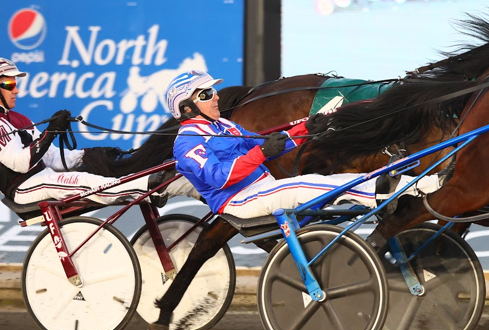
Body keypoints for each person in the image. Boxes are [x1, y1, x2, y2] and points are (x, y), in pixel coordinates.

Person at [165, 69, 437, 221]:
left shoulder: (226, 126)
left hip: (263, 186)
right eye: (206, 94)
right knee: (307, 184)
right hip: (238, 200)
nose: (215, 98)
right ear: (187, 108)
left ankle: (422, 184)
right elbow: (219, 177)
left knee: (344, 178)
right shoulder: (187, 143)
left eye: (212, 91)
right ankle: (390, 194)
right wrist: (261, 153)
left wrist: (306, 129)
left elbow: (270, 144)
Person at [0, 57, 164, 207]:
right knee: (81, 181)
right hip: (22, 188)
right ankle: (144, 187)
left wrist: (85, 156)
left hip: (42, 176)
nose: (16, 91)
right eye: (9, 85)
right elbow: (20, 164)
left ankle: (144, 191)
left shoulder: (20, 119)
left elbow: (52, 158)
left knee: (87, 174)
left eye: (16, 84)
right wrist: (50, 133)